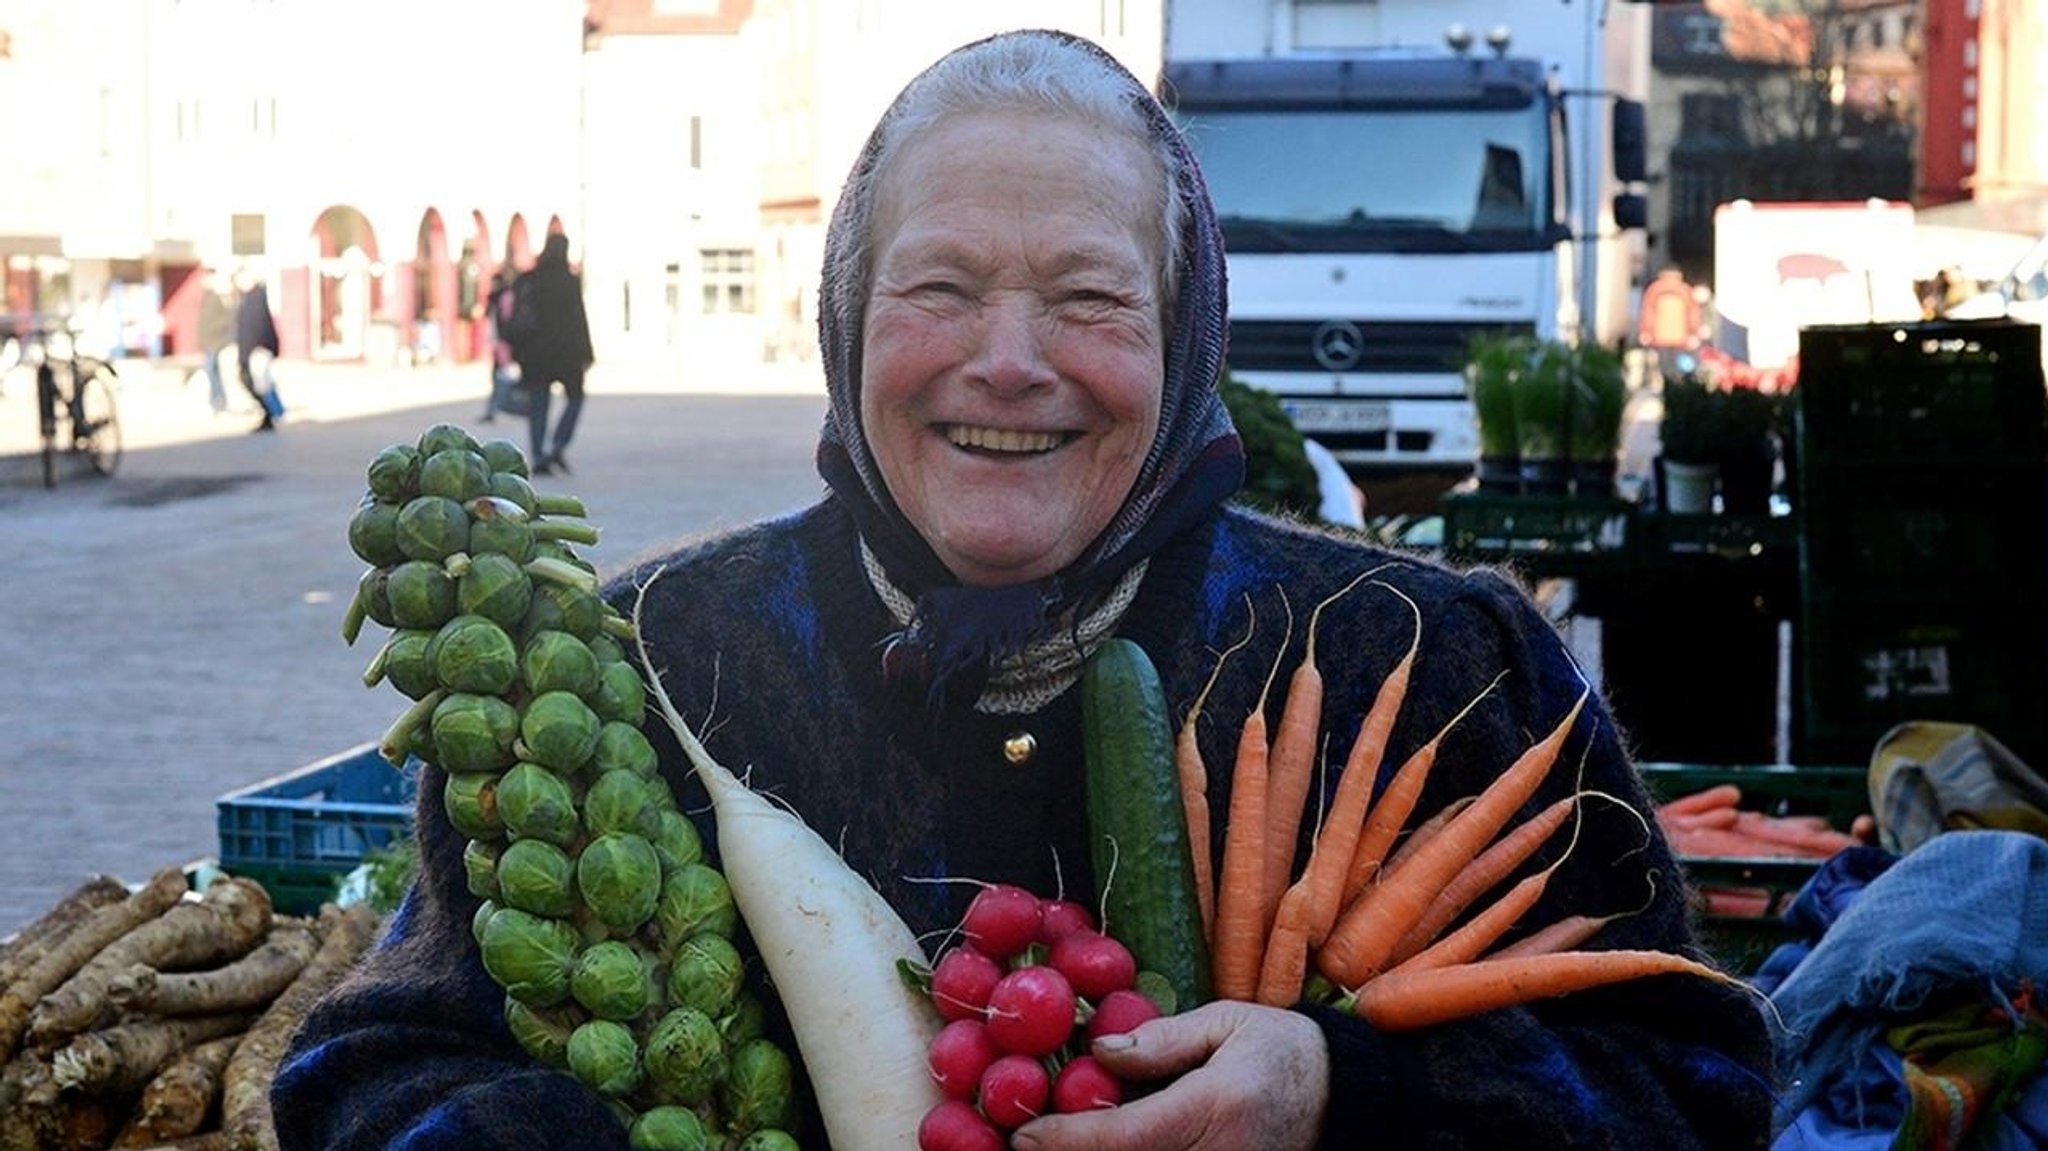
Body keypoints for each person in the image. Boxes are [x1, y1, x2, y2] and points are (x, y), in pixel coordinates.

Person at [273, 30, 1773, 1150]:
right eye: (941, 288)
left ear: (1183, 342)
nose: (1008, 359)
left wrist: (1347, 1091)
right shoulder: (639, 658)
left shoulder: (1432, 657)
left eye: (1088, 296)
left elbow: (1698, 1084)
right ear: (849, 322)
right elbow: (366, 1071)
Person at [508, 231, 594, 475]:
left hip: (536, 354)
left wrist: (517, 350)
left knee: (539, 406)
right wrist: (587, 353)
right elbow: (579, 319)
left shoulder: (529, 280)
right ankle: (558, 445)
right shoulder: (568, 281)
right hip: (567, 353)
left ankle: (538, 455)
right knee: (575, 398)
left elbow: (516, 317)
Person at [233, 272, 284, 432]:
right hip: (252, 349)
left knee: (261, 382)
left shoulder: (255, 299)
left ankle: (273, 412)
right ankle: (273, 412)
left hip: (257, 349)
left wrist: (257, 348)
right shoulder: (247, 299)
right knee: (259, 381)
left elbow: (258, 327)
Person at [478, 265, 522, 423]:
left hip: (505, 345)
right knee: (498, 379)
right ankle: (493, 410)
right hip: (497, 345)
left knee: (505, 379)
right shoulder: (495, 299)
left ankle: (508, 407)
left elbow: (509, 322)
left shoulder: (507, 298)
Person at [196, 271, 234, 414]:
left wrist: (213, 329)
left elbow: (227, 317)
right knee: (211, 371)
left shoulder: (215, 298)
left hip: (215, 341)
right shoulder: (205, 298)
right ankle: (217, 400)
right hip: (208, 342)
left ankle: (219, 400)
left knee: (211, 370)